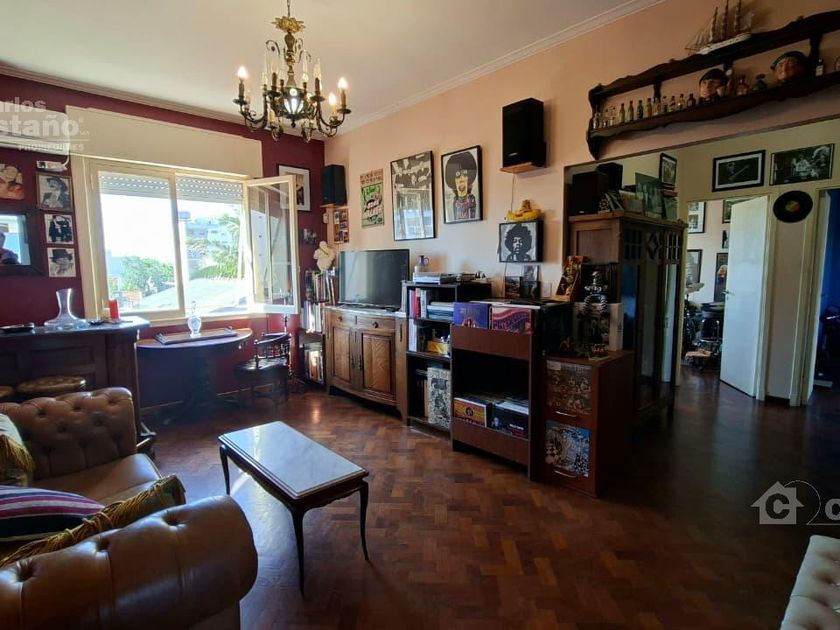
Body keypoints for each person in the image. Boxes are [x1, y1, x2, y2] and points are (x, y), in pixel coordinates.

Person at [444, 151, 477, 220]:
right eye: (458, 176)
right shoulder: (455, 200)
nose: (461, 180)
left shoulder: (471, 198)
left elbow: (472, 216)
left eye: (465, 175)